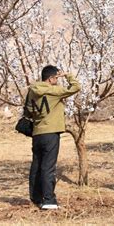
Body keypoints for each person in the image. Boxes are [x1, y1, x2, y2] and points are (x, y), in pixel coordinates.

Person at [26, 65, 81, 209]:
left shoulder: (31, 91)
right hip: (51, 133)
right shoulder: (53, 91)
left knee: (36, 166)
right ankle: (49, 200)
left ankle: (36, 197)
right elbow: (75, 87)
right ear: (50, 79)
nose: (57, 80)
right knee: (48, 167)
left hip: (37, 133)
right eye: (56, 78)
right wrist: (67, 75)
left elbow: (28, 111)